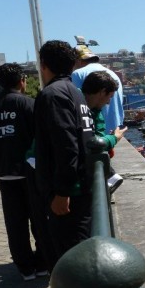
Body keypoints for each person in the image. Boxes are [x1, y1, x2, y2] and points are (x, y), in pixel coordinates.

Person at [0, 63, 48, 280]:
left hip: (4, 173)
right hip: (31, 172)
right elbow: (41, 139)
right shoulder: (29, 104)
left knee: (15, 223)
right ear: (22, 81)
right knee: (39, 219)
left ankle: (25, 267)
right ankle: (43, 263)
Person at [34, 40, 95, 263]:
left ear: (43, 65)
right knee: (81, 248)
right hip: (82, 183)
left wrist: (62, 191)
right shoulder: (75, 93)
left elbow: (66, 143)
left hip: (69, 193)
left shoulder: (52, 95)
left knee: (73, 257)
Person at [81, 71, 127, 194]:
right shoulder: (77, 106)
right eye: (109, 97)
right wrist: (114, 138)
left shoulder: (96, 112)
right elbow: (94, 143)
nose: (108, 102)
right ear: (102, 92)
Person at [71, 45, 124, 133]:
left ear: (78, 61)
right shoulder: (113, 74)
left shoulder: (77, 74)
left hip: (96, 133)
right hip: (115, 132)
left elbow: (77, 105)